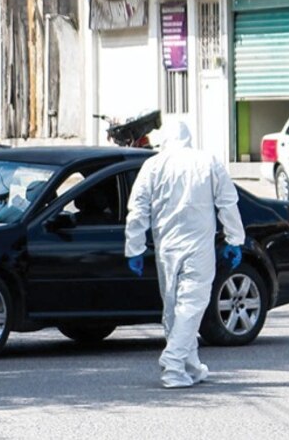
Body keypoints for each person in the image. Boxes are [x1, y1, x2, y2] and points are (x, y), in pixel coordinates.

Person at [123, 120, 245, 389]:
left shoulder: (153, 165)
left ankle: (189, 365)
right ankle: (174, 362)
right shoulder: (208, 161)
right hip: (199, 246)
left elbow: (138, 209)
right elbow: (227, 201)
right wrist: (235, 239)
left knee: (174, 308)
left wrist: (135, 248)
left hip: (166, 246)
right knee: (192, 304)